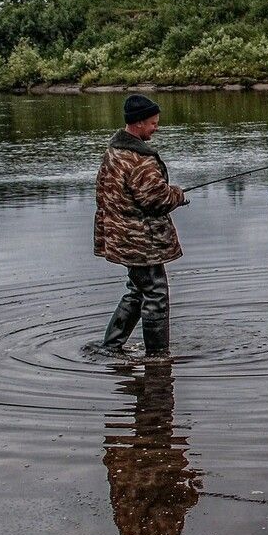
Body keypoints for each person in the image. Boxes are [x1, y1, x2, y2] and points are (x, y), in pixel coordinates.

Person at [94, 94, 188, 354]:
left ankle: (111, 347)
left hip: (121, 235)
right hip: (141, 240)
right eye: (153, 123)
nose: (156, 128)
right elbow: (156, 200)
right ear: (138, 123)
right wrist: (177, 196)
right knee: (156, 294)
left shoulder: (114, 151)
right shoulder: (139, 159)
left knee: (138, 290)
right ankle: (158, 357)